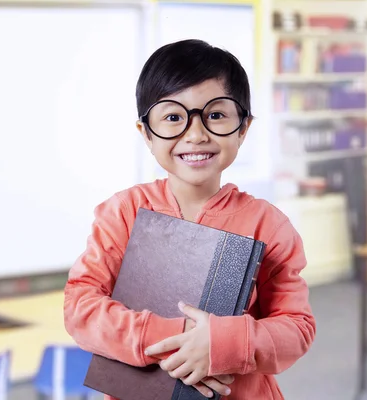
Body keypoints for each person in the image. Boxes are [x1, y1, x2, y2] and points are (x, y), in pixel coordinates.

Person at [63, 39, 316, 399]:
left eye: (215, 115)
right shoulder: (122, 213)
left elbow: (297, 329)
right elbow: (81, 309)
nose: (195, 135)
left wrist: (221, 344)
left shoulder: (268, 224)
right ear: (146, 134)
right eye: (172, 117)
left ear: (243, 127)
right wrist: (176, 340)